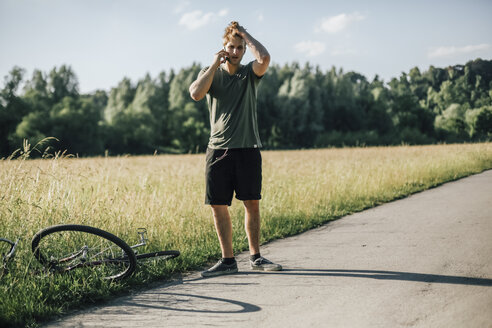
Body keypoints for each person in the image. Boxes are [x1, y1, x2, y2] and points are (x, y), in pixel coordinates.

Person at [189, 21, 282, 277]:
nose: (235, 51)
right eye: (231, 46)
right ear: (223, 47)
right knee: (218, 205)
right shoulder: (210, 74)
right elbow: (196, 94)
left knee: (251, 203)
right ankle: (228, 261)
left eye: (240, 47)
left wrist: (245, 35)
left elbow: (264, 57)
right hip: (217, 150)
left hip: (247, 148)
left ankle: (256, 257)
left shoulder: (249, 73)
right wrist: (214, 64)